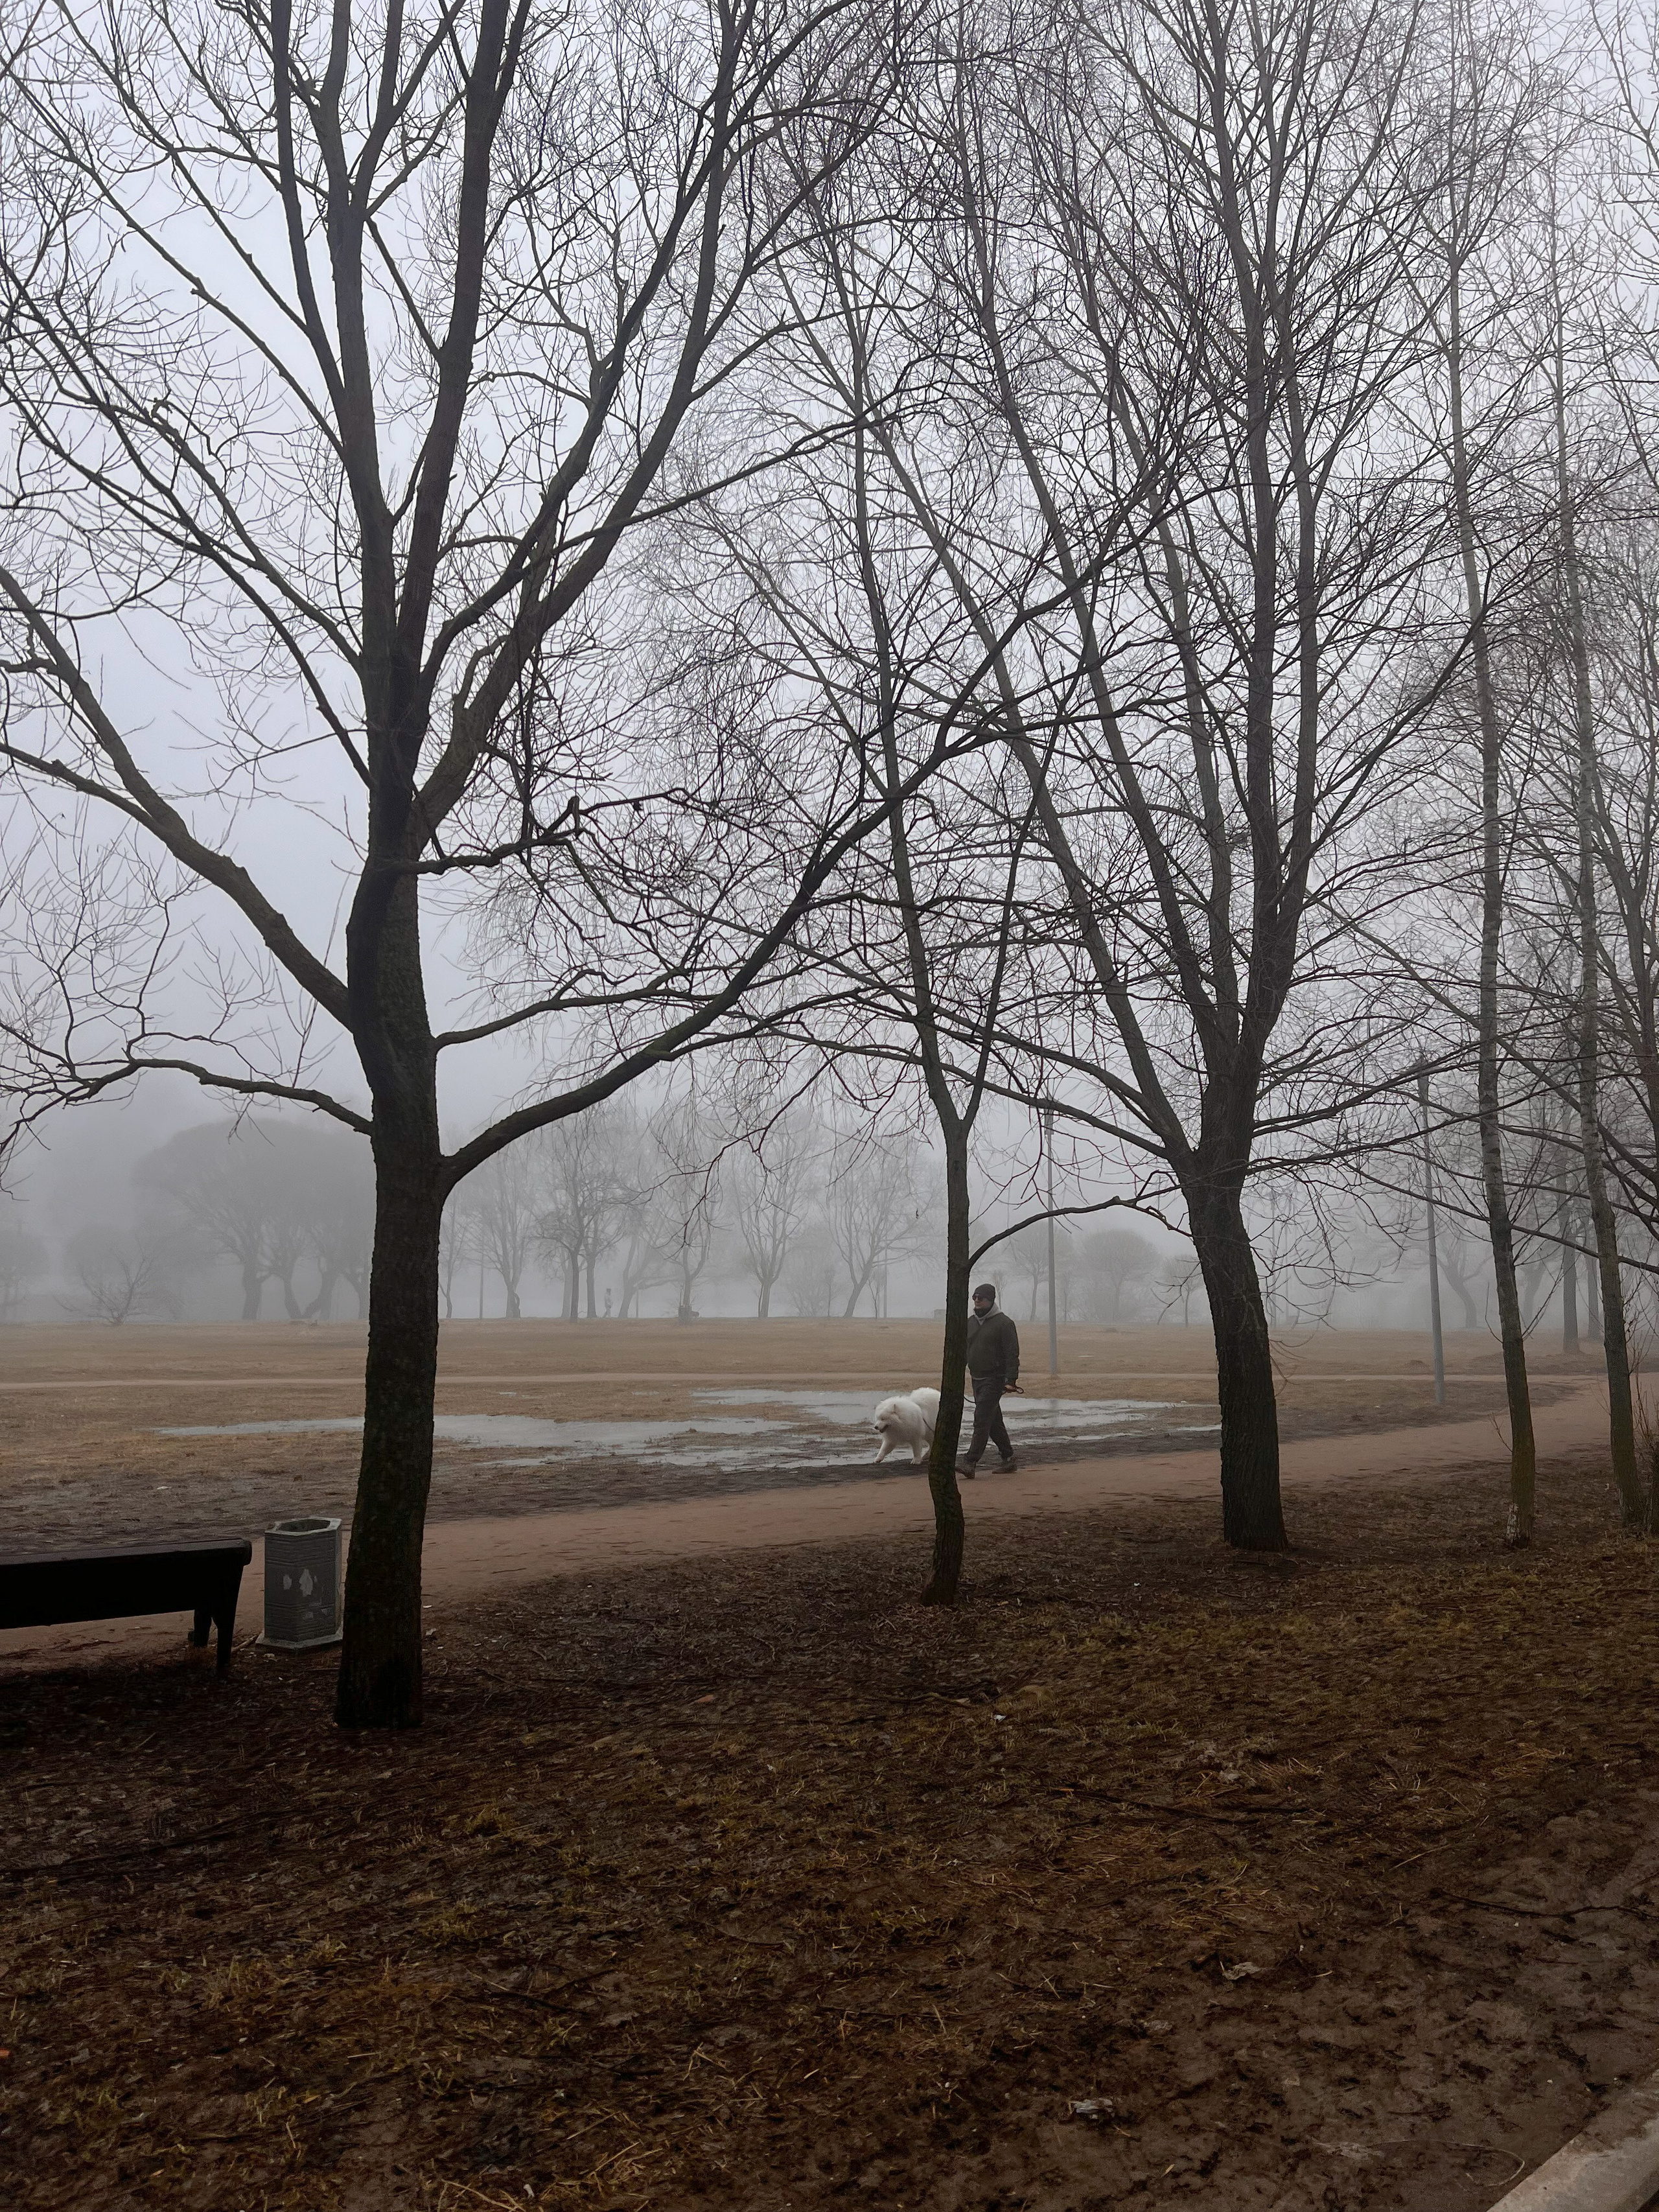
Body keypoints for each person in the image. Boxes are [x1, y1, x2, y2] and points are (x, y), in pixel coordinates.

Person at [958, 1281, 1021, 1476]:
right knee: (993, 1422)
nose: (977, 1301)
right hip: (975, 1378)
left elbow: (1012, 1354)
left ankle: (970, 1462)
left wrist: (1011, 1380)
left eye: (981, 1298)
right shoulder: (970, 1322)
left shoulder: (1005, 1324)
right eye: (974, 1297)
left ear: (991, 1300)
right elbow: (964, 1349)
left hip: (995, 1379)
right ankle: (1009, 1458)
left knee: (982, 1419)